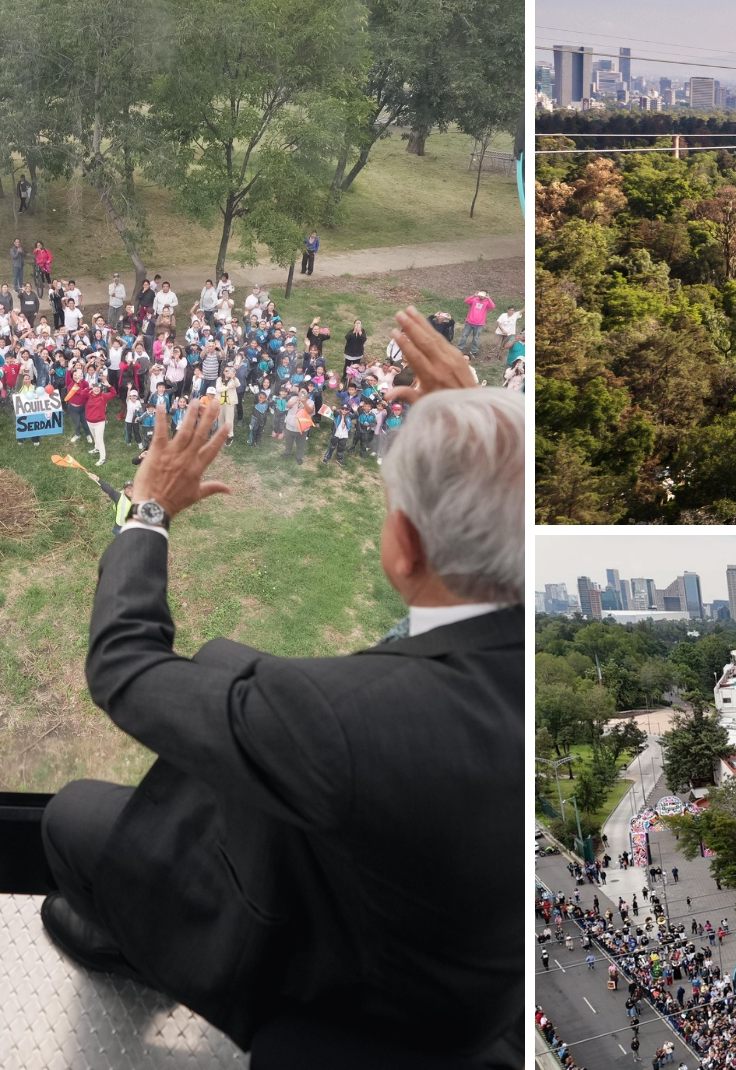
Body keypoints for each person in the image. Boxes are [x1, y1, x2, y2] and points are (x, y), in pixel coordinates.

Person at [38, 308, 523, 1063]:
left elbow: (125, 668)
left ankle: (141, 948)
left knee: (68, 818)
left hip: (357, 997)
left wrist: (146, 513)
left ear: (403, 548)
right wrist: (482, 436)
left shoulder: (343, 720)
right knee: (213, 694)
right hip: (464, 979)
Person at [458, 291, 495, 357]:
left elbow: (493, 306)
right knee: (464, 335)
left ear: (485, 295)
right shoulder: (474, 299)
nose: (481, 296)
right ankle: (460, 348)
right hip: (469, 322)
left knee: (476, 338)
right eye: (480, 294)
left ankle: (474, 351)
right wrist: (473, 295)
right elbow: (466, 301)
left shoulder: (487, 302)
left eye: (483, 295)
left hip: (479, 324)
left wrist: (489, 298)